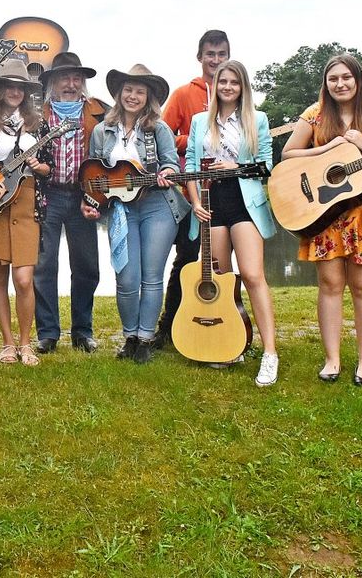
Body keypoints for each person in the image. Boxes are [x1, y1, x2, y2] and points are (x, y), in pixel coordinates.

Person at [281, 54, 362, 387]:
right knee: (330, 285)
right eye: (333, 79)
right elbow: (289, 153)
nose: (340, 84)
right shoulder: (314, 115)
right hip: (323, 209)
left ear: (358, 81)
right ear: (326, 83)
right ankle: (332, 360)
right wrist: (326, 149)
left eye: (346, 77)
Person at [81, 64, 189, 363]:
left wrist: (166, 172)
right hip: (120, 209)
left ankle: (144, 338)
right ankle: (129, 336)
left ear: (148, 97)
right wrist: (91, 199)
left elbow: (172, 164)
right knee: (127, 277)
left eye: (139, 91)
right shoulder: (103, 130)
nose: (133, 96)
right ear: (119, 93)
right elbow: (94, 172)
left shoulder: (159, 128)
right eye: (128, 90)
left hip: (157, 206)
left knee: (152, 277)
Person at [183, 60, 279, 385]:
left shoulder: (258, 120)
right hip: (210, 203)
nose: (227, 87)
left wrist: (235, 166)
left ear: (242, 87)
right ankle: (230, 344)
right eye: (223, 81)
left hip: (244, 204)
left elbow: (266, 165)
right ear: (215, 85)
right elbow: (191, 165)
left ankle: (270, 353)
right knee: (222, 278)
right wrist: (195, 203)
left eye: (234, 83)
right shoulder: (200, 121)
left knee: (252, 275)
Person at [0, 58, 53, 367]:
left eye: (20, 87)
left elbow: (49, 169)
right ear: (0, 89)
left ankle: (27, 342)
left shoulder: (38, 124)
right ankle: (7, 342)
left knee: (24, 279)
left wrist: (37, 165)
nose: (15, 91)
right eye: (9, 86)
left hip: (27, 202)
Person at [154, 29, 231, 349]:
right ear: (200, 57)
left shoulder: (236, 94)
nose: (215, 60)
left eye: (221, 54)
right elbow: (162, 135)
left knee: (222, 265)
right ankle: (168, 327)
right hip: (191, 195)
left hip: (228, 193)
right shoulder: (185, 94)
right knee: (186, 261)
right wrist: (196, 141)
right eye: (210, 54)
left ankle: (228, 324)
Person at [33, 52, 109, 354]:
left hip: (83, 196)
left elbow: (110, 156)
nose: (71, 83)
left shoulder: (100, 112)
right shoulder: (38, 113)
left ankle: (82, 331)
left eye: (77, 77)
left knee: (87, 266)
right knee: (44, 265)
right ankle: (48, 333)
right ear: (52, 82)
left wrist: (96, 198)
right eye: (64, 77)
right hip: (48, 194)